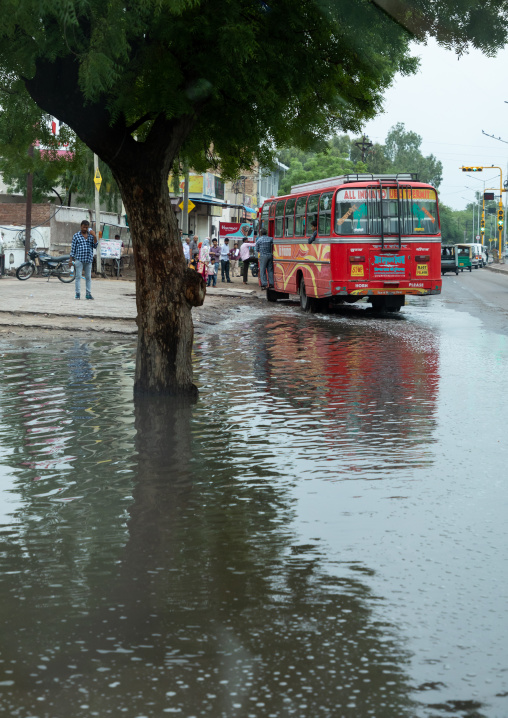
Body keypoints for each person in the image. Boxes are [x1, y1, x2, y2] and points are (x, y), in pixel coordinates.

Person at [70, 219, 98, 300]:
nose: (85, 229)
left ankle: (88, 294)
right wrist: (70, 260)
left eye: (86, 227)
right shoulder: (76, 236)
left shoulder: (90, 235)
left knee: (88, 277)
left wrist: (95, 236)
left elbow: (95, 245)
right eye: (83, 227)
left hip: (88, 260)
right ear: (81, 227)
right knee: (78, 277)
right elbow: (73, 249)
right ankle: (77, 294)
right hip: (79, 259)